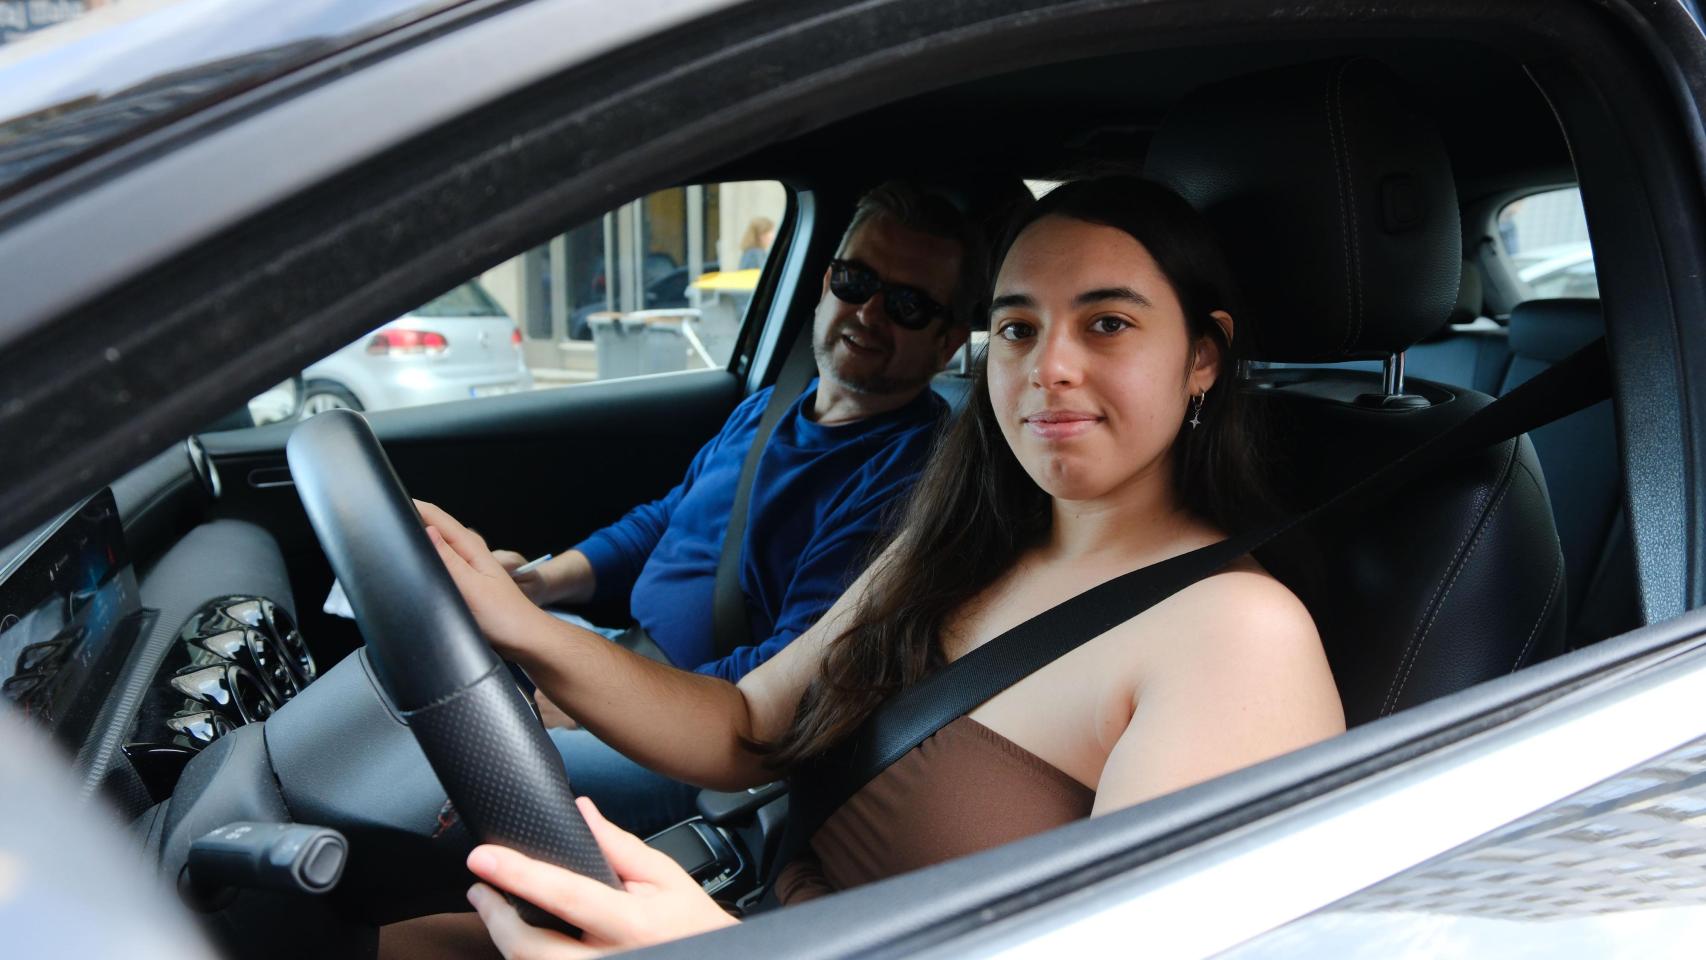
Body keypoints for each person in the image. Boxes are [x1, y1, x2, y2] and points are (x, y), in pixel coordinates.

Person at [418, 176, 1345, 958]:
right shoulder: (961, 537)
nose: (1049, 366)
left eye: (1106, 324)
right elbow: (746, 728)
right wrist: (518, 621)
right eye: (1018, 329)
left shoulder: (1236, 637)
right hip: (751, 913)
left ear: (1203, 359)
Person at [492, 182, 982, 837]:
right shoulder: (774, 404)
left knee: (464, 762)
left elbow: (793, 669)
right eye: (855, 280)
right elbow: (672, 517)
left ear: (947, 343)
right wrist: (542, 583)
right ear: (825, 284)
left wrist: (592, 697)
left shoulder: (906, 480)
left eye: (908, 305)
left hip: (693, 732)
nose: (868, 314)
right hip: (630, 656)